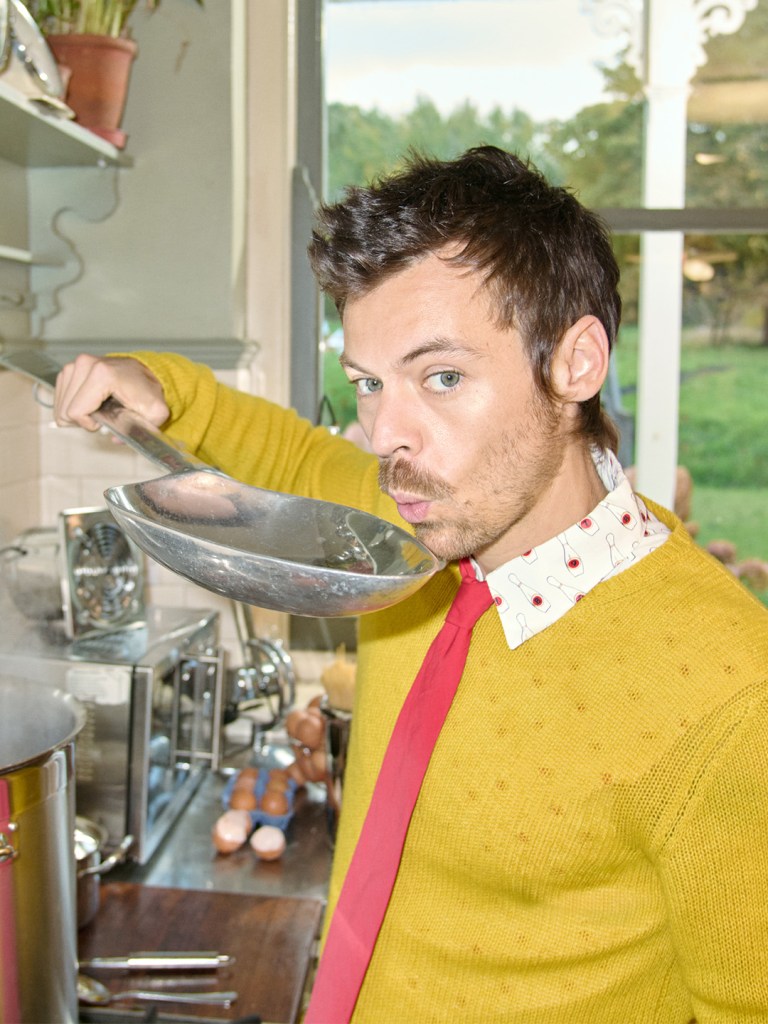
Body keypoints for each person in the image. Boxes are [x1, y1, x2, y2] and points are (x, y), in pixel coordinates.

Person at [53, 146, 768, 1023]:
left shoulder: (731, 692)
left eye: (443, 377)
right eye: (367, 384)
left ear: (576, 364)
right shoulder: (403, 531)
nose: (389, 436)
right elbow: (288, 455)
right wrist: (157, 390)